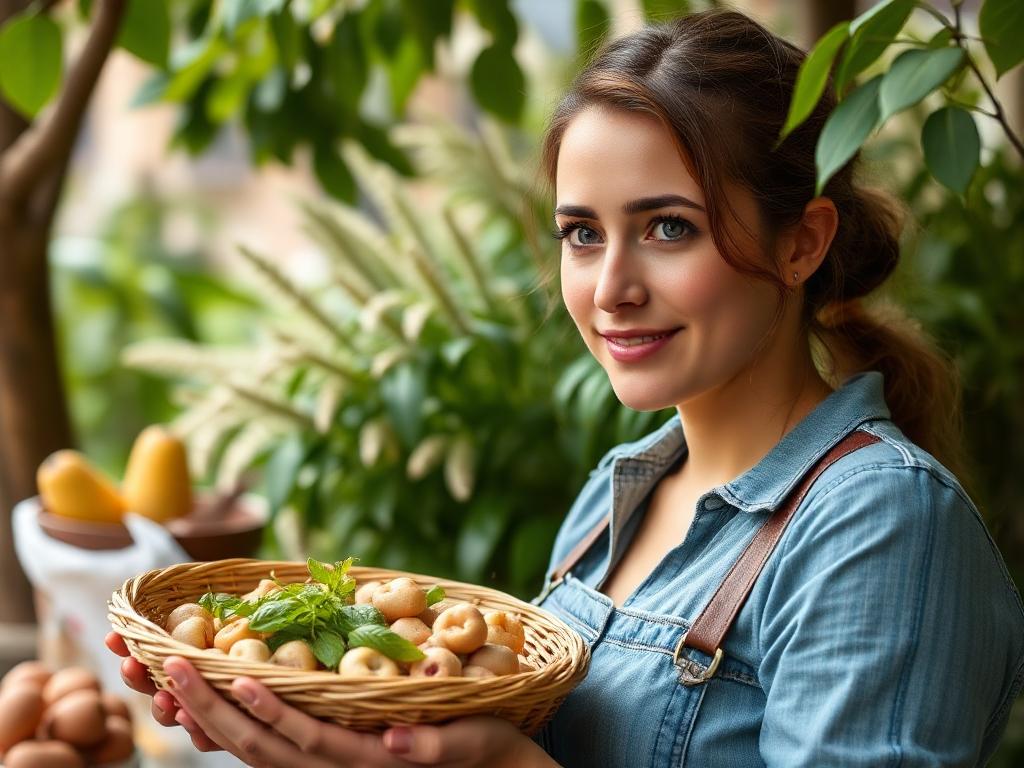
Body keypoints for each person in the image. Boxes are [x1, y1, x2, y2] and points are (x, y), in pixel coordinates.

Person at [106, 9, 1024, 767]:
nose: (610, 287)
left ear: (803, 241)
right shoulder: (617, 494)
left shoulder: (879, 524)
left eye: (668, 228)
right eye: (582, 233)